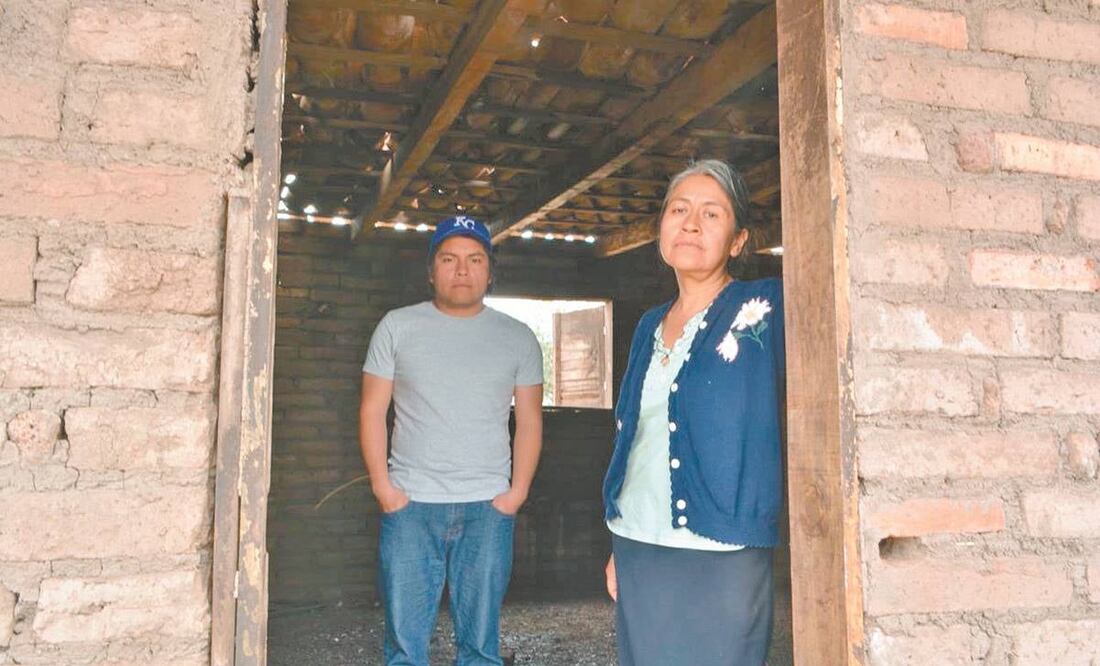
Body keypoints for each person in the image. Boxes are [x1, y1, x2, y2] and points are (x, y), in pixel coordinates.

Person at [602, 160, 785, 665]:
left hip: (723, 547)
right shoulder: (647, 326)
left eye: (711, 213)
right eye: (678, 210)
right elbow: (637, 437)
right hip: (638, 538)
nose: (690, 223)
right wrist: (617, 538)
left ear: (738, 240)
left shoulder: (765, 308)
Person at [359, 216, 544, 666]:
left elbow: (531, 422)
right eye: (449, 259)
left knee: (481, 649)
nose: (462, 270)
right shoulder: (396, 327)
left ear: (490, 271)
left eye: (474, 259)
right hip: (411, 507)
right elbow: (371, 411)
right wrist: (384, 488)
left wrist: (515, 494)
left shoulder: (517, 337)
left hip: (487, 507)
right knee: (405, 649)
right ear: (431, 270)